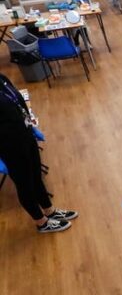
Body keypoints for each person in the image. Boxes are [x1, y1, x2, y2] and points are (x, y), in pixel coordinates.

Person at [0, 73, 78, 233]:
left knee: (36, 175)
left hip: (26, 134)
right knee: (25, 184)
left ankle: (50, 211)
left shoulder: (1, 78)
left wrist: (30, 124)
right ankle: (42, 222)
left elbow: (17, 102)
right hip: (9, 145)